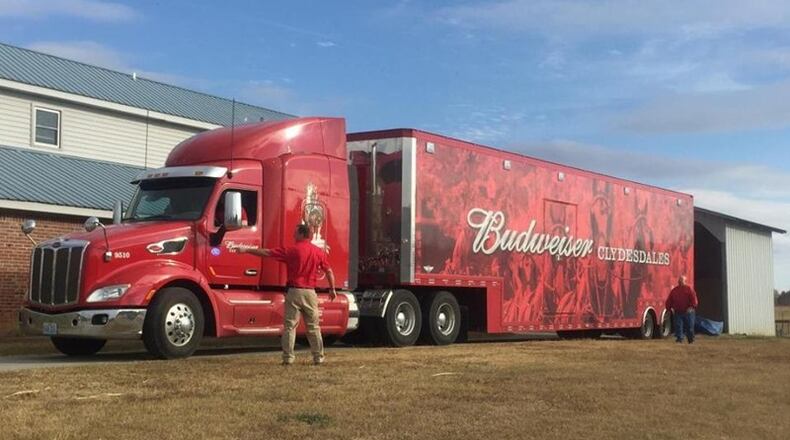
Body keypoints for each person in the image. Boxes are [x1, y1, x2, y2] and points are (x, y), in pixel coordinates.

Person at [236, 224, 337, 365]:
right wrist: (332, 289)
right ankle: (318, 357)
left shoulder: (292, 250)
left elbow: (267, 253)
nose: (293, 235)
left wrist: (246, 250)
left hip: (294, 291)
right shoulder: (318, 252)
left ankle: (288, 358)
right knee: (313, 327)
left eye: (295, 233)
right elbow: (329, 271)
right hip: (310, 292)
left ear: (302, 234)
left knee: (290, 326)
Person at [665, 275, 699, 344]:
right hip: (678, 311)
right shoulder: (675, 290)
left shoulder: (689, 289)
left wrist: (692, 307)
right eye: (679, 280)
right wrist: (668, 308)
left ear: (685, 281)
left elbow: (694, 300)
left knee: (689, 326)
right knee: (678, 326)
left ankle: (691, 340)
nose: (680, 281)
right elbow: (669, 300)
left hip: (688, 312)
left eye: (681, 280)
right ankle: (679, 339)